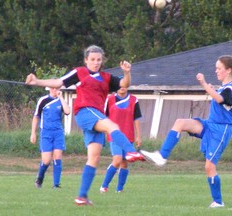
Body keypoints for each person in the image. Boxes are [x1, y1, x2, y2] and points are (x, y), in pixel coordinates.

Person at [25, 45, 144, 206]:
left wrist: (127, 72)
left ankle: (82, 196)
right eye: (93, 59)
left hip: (96, 116)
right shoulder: (80, 72)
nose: (96, 62)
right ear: (86, 60)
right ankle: (130, 152)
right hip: (85, 112)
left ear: (102, 61)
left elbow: (125, 84)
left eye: (99, 60)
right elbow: (59, 81)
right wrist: (37, 81)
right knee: (112, 126)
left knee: (93, 158)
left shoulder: (106, 78)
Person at [139, 55, 232, 208]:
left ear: (229, 70)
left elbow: (221, 100)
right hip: (210, 125)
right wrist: (211, 89)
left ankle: (218, 202)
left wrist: (205, 85)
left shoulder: (231, 88)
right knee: (180, 123)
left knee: (209, 167)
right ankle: (162, 156)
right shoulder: (224, 88)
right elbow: (219, 97)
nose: (216, 71)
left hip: (221, 130)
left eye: (219, 68)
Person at [100, 87, 143, 193]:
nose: (122, 88)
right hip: (114, 135)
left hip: (128, 135)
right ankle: (104, 186)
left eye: (124, 85)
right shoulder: (110, 99)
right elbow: (103, 117)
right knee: (117, 160)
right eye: (119, 85)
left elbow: (136, 119)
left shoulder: (134, 100)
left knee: (124, 163)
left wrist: (138, 136)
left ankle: (120, 189)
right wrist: (106, 131)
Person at [31, 87, 70, 189]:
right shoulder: (43, 100)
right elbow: (36, 117)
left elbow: (67, 111)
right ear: (49, 89)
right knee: (46, 160)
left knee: (57, 158)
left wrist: (61, 97)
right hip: (46, 133)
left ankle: (56, 185)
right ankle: (39, 179)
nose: (55, 90)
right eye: (52, 88)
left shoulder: (60, 101)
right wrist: (33, 133)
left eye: (56, 88)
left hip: (58, 133)